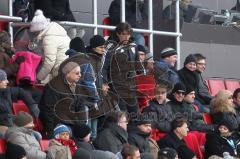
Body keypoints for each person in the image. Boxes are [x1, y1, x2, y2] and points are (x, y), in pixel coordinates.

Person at [39, 61, 88, 137]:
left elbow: (81, 105)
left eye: (80, 73)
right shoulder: (53, 87)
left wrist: (82, 124)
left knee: (86, 132)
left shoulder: (77, 84)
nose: (80, 75)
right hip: (58, 122)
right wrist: (50, 131)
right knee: (68, 133)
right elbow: (48, 110)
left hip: (71, 121)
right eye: (77, 73)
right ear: (67, 73)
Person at [103, 22, 143, 113]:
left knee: (135, 114)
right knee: (122, 115)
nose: (126, 37)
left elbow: (138, 64)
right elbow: (103, 66)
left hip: (131, 86)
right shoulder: (110, 47)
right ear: (117, 34)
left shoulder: (133, 45)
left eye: (128, 34)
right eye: (123, 34)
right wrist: (104, 83)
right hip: (116, 86)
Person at [30, 9, 69, 83]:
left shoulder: (49, 38)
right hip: (66, 68)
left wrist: (38, 78)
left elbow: (49, 62)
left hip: (59, 72)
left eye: (35, 32)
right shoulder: (56, 30)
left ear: (39, 29)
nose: (34, 34)